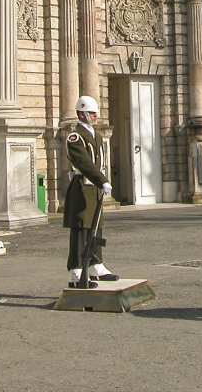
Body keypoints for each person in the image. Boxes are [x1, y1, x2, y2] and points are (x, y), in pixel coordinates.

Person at [64, 95, 119, 287]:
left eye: (95, 113)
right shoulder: (75, 136)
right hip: (82, 186)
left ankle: (96, 264)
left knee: (96, 227)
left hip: (93, 187)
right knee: (80, 229)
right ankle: (77, 271)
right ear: (81, 114)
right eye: (92, 113)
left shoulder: (96, 136)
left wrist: (101, 181)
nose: (95, 116)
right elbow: (84, 163)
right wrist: (102, 180)